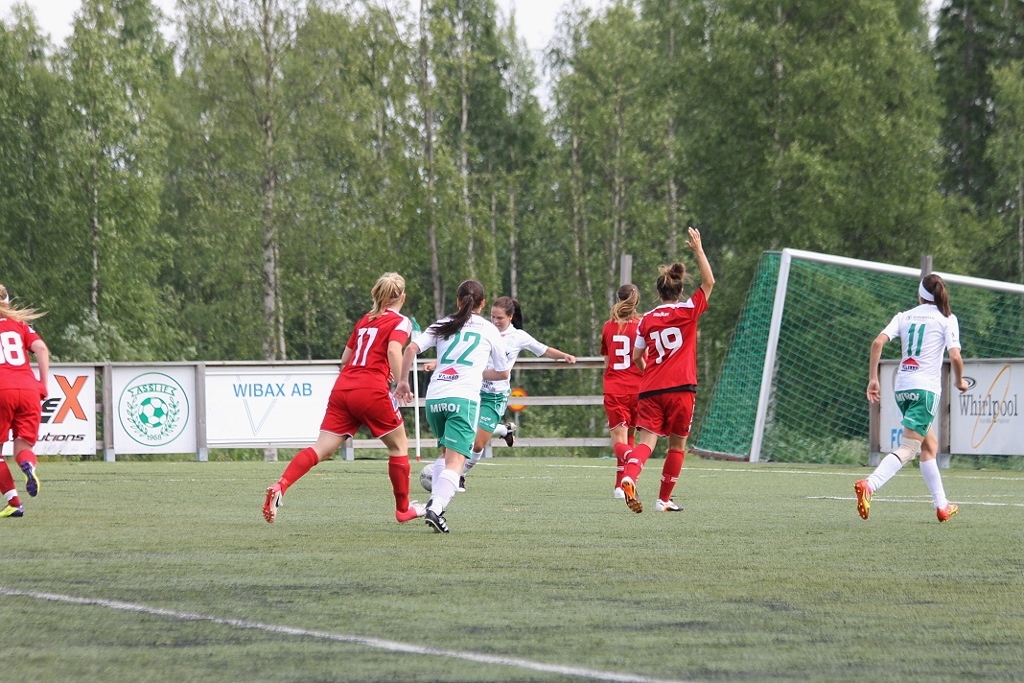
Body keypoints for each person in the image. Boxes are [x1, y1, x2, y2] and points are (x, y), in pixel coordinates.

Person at [262, 273, 425, 525]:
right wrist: (401, 381)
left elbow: (345, 359)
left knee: (321, 449)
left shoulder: (365, 320)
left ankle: (281, 484)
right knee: (399, 447)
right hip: (371, 389)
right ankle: (404, 509)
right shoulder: (401, 321)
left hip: (343, 388)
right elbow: (394, 349)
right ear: (402, 297)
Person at [394, 280, 509, 533]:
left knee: (446, 454)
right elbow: (503, 373)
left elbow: (411, 348)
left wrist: (403, 381)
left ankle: (435, 503)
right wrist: (476, 371)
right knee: (456, 461)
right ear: (483, 303)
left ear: (458, 301)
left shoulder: (444, 323)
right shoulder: (489, 330)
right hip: (462, 399)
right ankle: (435, 509)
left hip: (435, 397)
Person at [618, 227, 714, 513]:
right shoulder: (687, 311)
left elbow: (636, 356)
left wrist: (649, 372)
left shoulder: (646, 320)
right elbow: (709, 282)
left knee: (647, 442)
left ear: (658, 293)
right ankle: (663, 499)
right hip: (681, 388)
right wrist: (698, 250)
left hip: (650, 389)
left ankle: (629, 476)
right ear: (679, 291)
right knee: (677, 444)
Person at [859, 273, 968, 523]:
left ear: (920, 294)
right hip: (925, 391)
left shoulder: (904, 316)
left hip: (902, 388)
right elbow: (955, 356)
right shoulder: (947, 318)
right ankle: (870, 485)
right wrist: (959, 381)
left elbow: (877, 344)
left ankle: (942, 505)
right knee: (909, 449)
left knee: (930, 446)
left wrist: (873, 379)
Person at [453, 296, 577, 492]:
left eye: (499, 318)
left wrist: (565, 356)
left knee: (477, 444)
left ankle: (462, 473)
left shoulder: (518, 337)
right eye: (492, 316)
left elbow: (543, 349)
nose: (495, 321)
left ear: (510, 317)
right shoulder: (484, 330)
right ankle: (501, 433)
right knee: (464, 431)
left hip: (495, 395)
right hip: (474, 389)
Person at [0, 284, 49, 518]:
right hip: (29, 389)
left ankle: (15, 503)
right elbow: (41, 349)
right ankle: (27, 467)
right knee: (24, 446)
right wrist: (43, 384)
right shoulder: (20, 324)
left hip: (2, 388)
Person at [600, 284, 644, 499]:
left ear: (618, 299)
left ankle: (621, 484)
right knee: (632, 435)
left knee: (619, 441)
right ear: (636, 302)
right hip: (639, 387)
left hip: (616, 388)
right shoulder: (642, 326)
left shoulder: (608, 327)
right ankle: (625, 481)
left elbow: (607, 361)